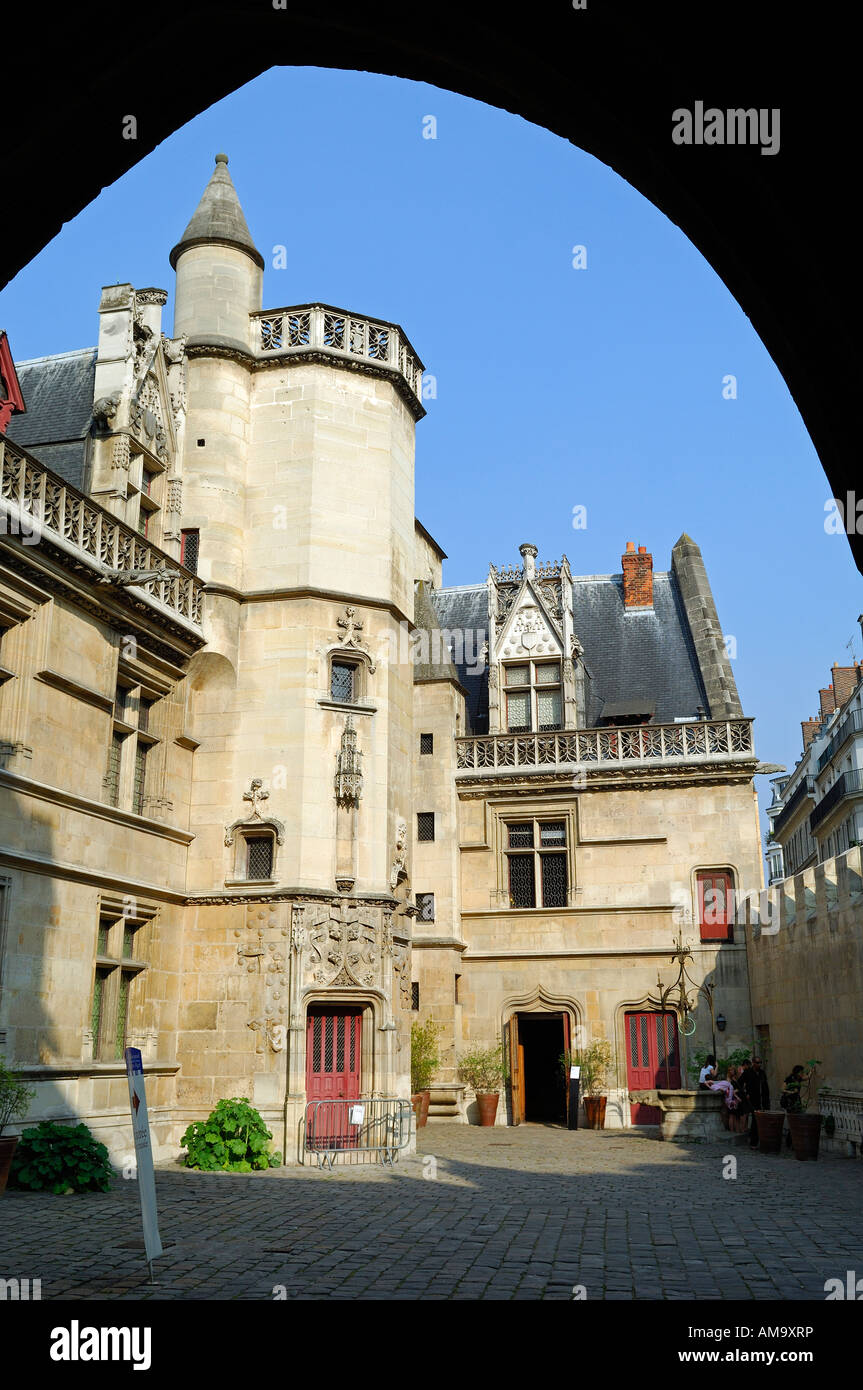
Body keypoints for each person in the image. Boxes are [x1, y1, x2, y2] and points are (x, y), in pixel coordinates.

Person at [742, 1054, 770, 1147]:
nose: (759, 1064)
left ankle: (762, 1141)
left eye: (760, 1063)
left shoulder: (762, 1073)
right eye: (757, 1063)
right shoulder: (747, 1072)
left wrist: (767, 1100)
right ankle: (753, 1142)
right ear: (753, 1063)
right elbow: (739, 1083)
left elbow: (765, 1086)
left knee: (762, 1121)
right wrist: (746, 1093)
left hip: (763, 1100)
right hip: (753, 1100)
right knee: (755, 1120)